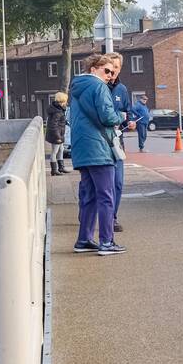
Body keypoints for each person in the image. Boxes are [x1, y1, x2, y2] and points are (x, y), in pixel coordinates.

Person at [68, 54, 126, 256]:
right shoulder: (98, 86)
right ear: (94, 69)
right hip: (99, 148)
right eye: (107, 71)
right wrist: (121, 116)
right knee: (106, 196)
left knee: (89, 196)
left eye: (112, 72)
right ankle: (107, 242)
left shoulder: (76, 87)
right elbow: (108, 116)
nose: (110, 75)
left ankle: (83, 240)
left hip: (81, 149)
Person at [103, 52, 135, 232]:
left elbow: (126, 111)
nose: (113, 70)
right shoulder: (98, 87)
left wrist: (129, 122)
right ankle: (87, 211)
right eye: (110, 66)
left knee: (117, 182)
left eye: (116, 67)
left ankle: (112, 217)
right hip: (99, 142)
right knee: (94, 183)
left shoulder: (122, 89)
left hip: (116, 142)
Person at [45, 92, 69, 175]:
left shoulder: (58, 109)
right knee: (54, 152)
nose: (66, 103)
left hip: (59, 134)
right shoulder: (57, 112)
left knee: (61, 149)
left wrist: (65, 122)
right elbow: (53, 125)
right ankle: (54, 170)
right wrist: (58, 137)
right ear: (62, 101)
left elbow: (58, 122)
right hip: (56, 135)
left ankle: (61, 167)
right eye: (65, 101)